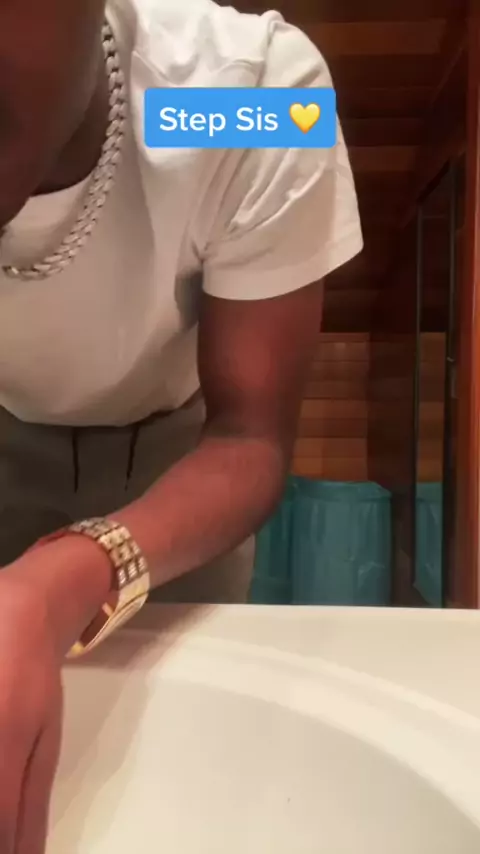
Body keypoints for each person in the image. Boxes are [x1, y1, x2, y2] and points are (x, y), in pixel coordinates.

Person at [0, 0, 362, 849]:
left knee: (191, 776)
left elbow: (249, 437)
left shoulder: (235, 96)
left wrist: (57, 583)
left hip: (180, 470)